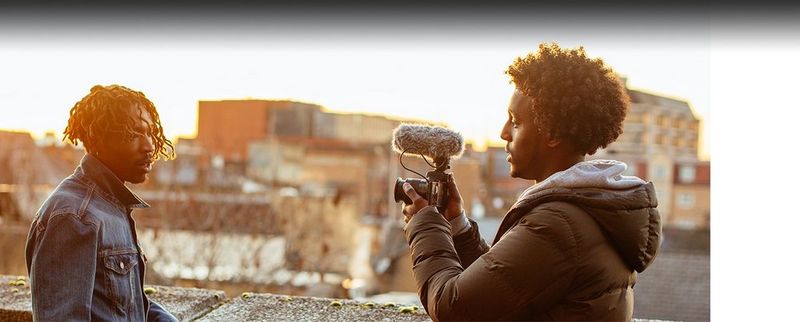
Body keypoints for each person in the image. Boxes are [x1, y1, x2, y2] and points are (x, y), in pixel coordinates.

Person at [401, 43, 662, 321]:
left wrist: (424, 224)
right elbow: (504, 285)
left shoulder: (559, 225)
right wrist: (457, 225)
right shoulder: (582, 210)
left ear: (552, 134)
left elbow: (453, 308)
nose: (503, 133)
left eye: (515, 122)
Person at [25, 84, 178, 321]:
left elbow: (124, 305)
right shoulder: (74, 216)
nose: (149, 146)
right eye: (134, 134)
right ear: (101, 139)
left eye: (150, 133)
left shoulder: (110, 207)